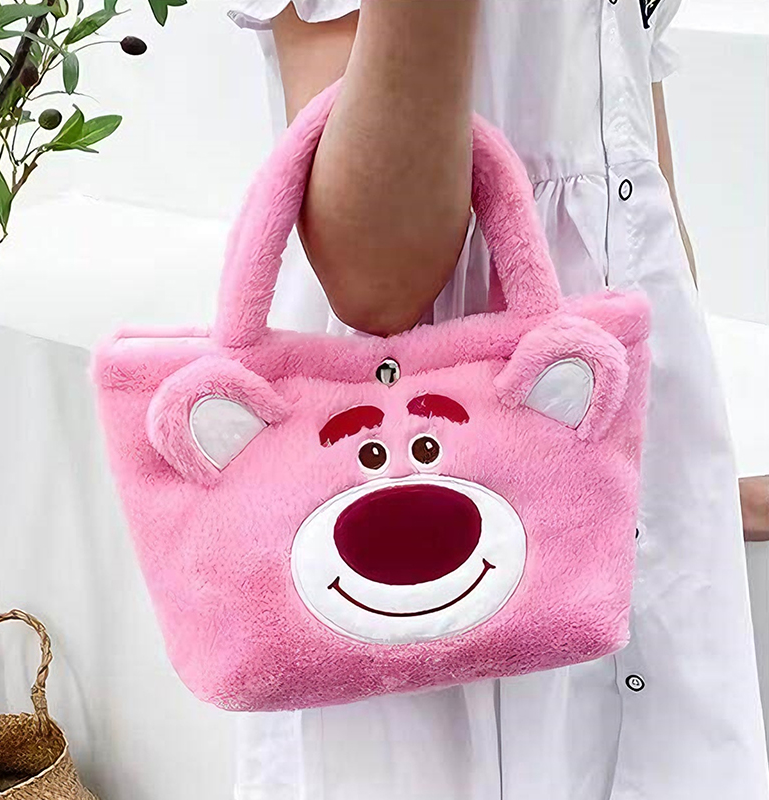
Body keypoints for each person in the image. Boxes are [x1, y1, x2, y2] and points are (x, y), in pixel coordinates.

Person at [227, 2, 769, 799]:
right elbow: (377, 285)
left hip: (624, 458)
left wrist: (685, 478)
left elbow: (633, 170)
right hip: (423, 464)